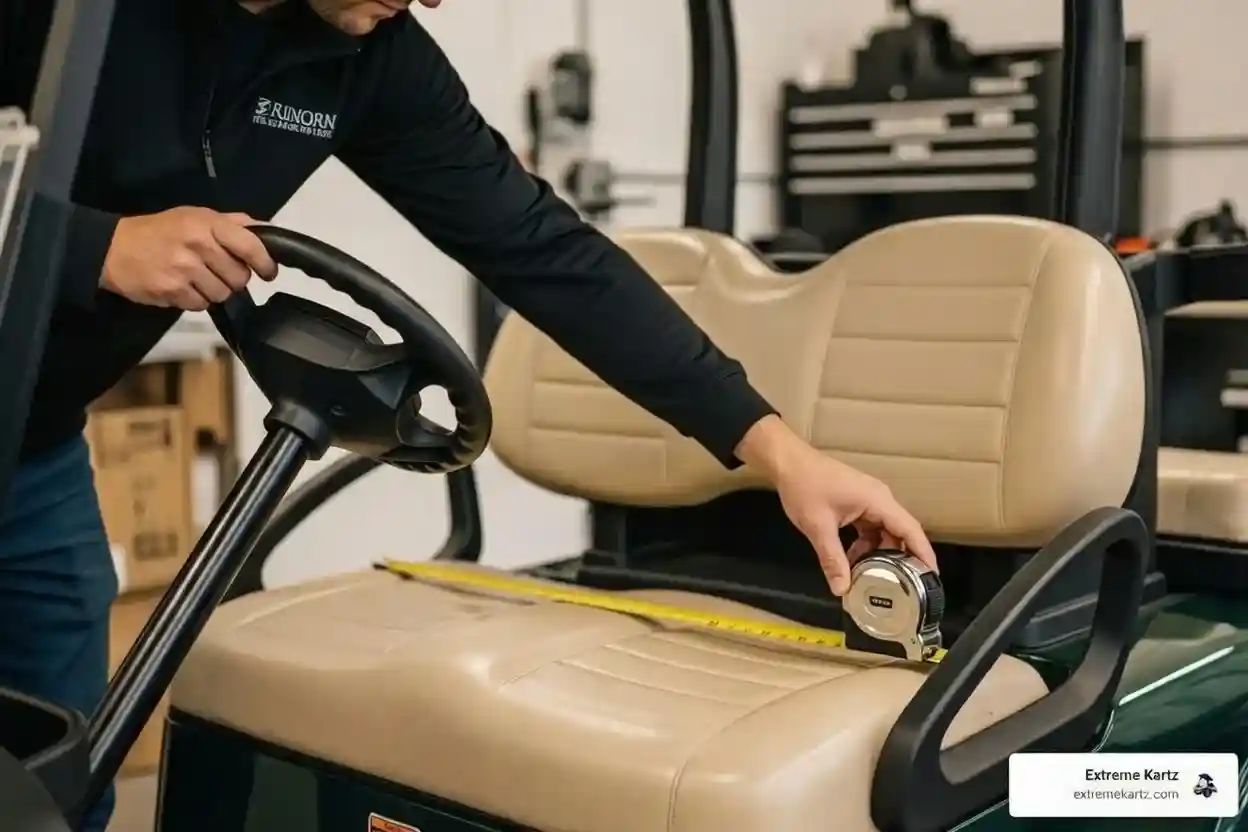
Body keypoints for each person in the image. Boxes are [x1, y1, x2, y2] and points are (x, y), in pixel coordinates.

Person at [1, 1, 937, 828]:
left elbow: (544, 249)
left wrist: (778, 450)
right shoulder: (75, 20)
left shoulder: (368, 55)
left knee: (59, 781)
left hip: (30, 448)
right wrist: (91, 246)